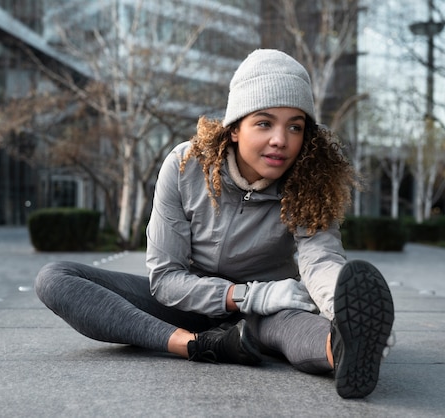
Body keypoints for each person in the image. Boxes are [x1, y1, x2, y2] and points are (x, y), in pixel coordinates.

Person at [35, 49, 395, 399]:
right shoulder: (184, 166)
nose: (280, 140)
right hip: (186, 306)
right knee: (55, 278)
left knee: (297, 328)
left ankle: (349, 353)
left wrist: (341, 309)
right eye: (264, 122)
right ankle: (197, 346)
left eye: (295, 127)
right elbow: (165, 278)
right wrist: (244, 295)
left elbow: (321, 260)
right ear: (235, 128)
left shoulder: (309, 182)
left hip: (266, 313)